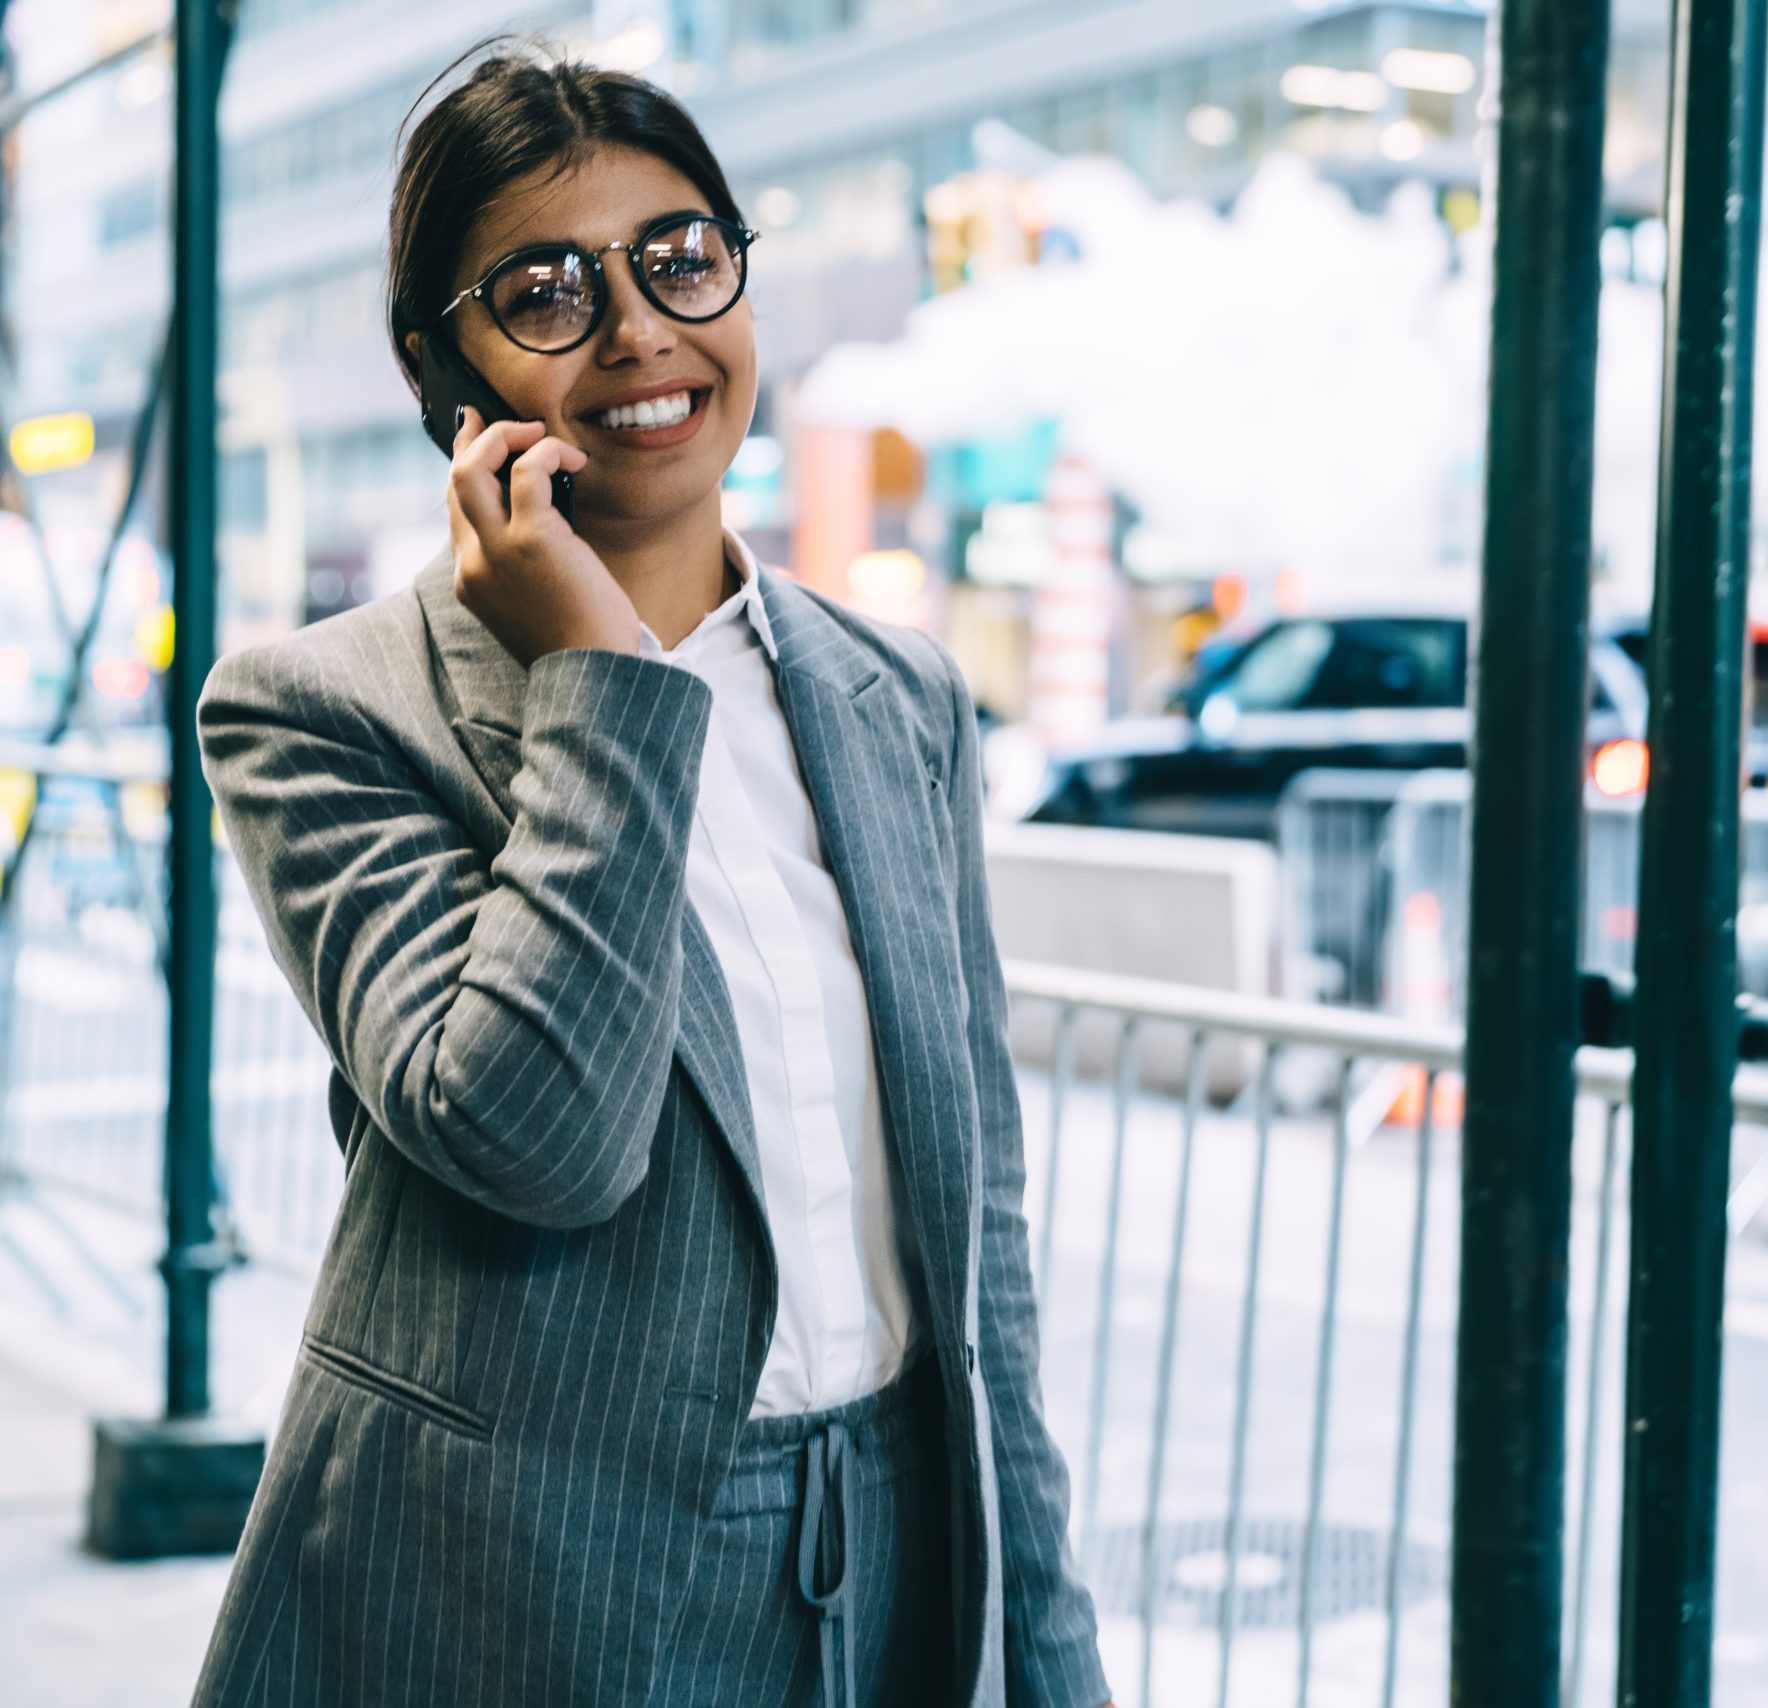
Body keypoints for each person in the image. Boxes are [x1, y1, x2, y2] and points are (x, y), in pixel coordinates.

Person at [190, 42, 1111, 1708]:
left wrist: (1047, 1655)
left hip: (898, 1539)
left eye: (679, 256)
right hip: (532, 1574)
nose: (637, 332)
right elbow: (536, 1132)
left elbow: (982, 1254)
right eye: (544, 290)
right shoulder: (322, 712)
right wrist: (605, 680)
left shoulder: (893, 697)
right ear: (441, 372)